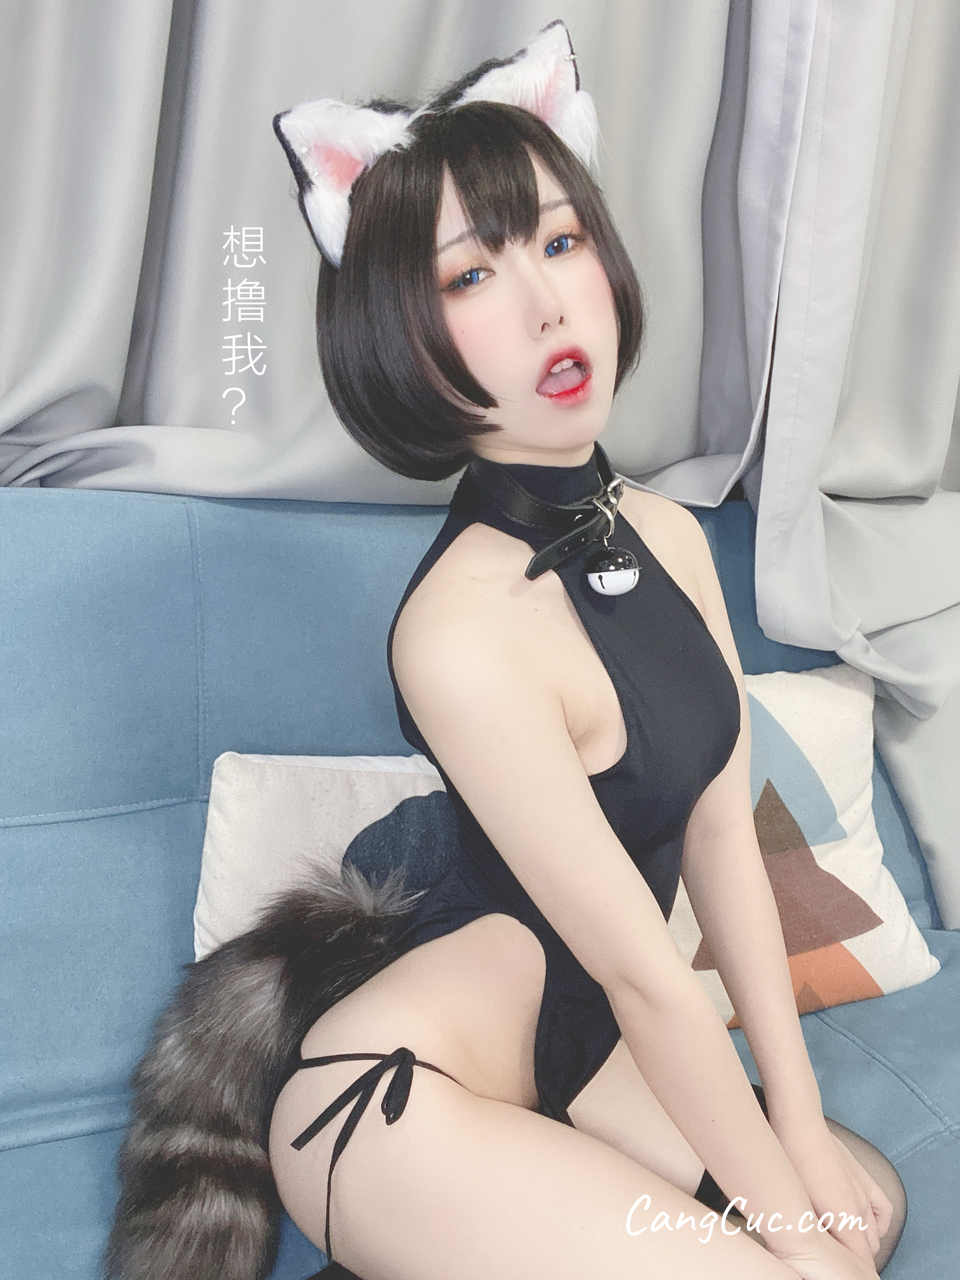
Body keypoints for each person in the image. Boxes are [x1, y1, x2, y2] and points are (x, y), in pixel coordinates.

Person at [105, 22, 907, 1280]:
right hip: (391, 1098)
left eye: (559, 240)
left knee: (872, 1203)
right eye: (471, 274)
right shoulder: (455, 628)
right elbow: (643, 970)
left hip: (579, 1054)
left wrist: (798, 1129)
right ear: (402, 333)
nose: (546, 301)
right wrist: (801, 1238)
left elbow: (720, 845)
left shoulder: (669, 534)